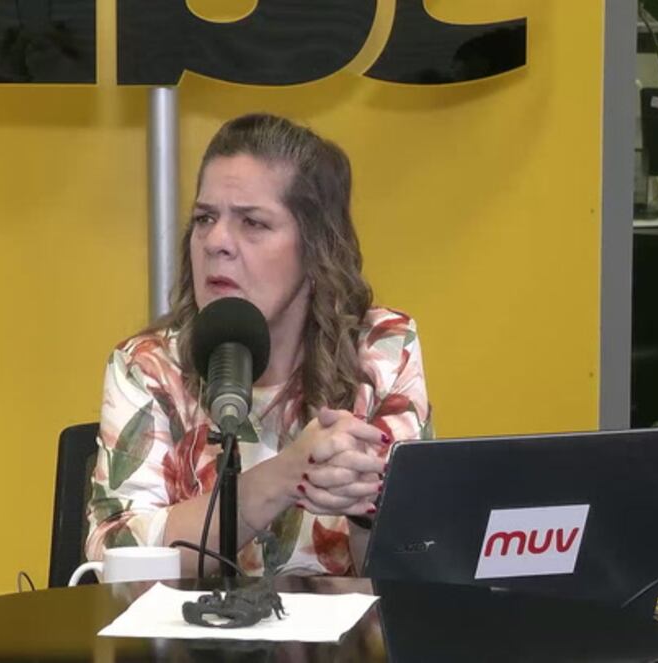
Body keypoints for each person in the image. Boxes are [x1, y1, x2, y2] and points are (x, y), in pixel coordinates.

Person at [86, 113, 432, 577]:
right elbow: (111, 554)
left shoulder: (382, 349)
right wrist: (284, 476)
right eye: (205, 218)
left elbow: (418, 567)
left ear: (315, 247)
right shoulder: (151, 366)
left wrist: (365, 508)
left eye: (252, 222)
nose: (216, 242)